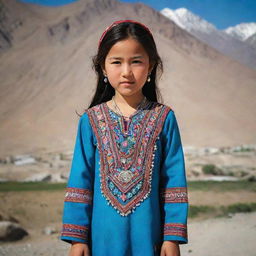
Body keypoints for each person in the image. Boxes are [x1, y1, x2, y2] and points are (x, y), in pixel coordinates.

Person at [60, 19, 189, 256]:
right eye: (116, 62)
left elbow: (173, 182)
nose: (127, 72)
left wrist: (172, 237)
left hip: (150, 240)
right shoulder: (90, 121)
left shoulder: (164, 118)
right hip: (102, 241)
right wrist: (77, 239)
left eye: (136, 61)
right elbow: (81, 182)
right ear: (102, 67)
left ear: (150, 66)